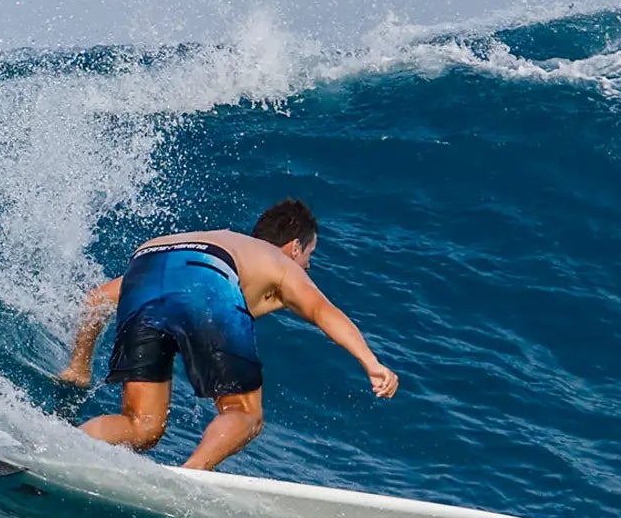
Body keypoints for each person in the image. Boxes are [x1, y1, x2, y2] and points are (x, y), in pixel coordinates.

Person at [58, 199, 398, 472]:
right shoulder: (278, 262)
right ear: (295, 246)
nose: (308, 265)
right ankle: (194, 473)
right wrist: (370, 362)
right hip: (209, 273)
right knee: (244, 413)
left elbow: (96, 300)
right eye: (310, 254)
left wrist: (79, 365)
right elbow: (323, 311)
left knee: (142, 426)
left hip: (149, 261)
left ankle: (60, 447)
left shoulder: (224, 242)